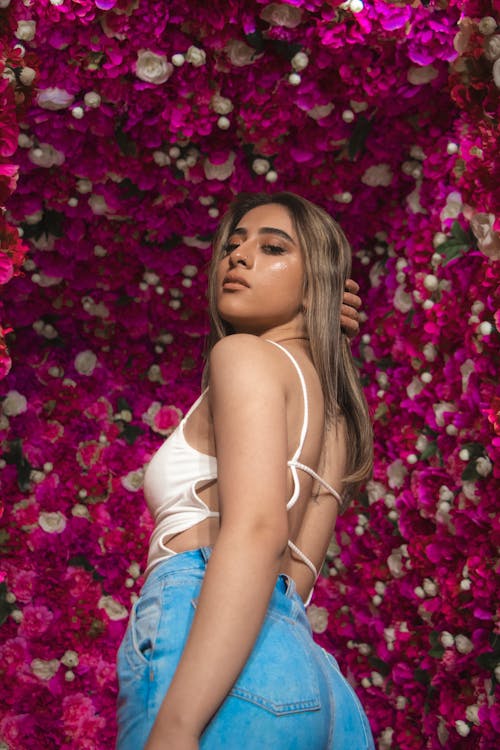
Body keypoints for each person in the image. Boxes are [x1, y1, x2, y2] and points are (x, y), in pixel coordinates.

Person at [116, 192, 374, 750]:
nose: (238, 257)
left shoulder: (241, 356)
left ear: (319, 284)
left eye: (273, 247)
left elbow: (258, 529)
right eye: (232, 247)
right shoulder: (338, 418)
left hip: (210, 650)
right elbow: (295, 581)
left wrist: (179, 725)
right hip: (310, 681)